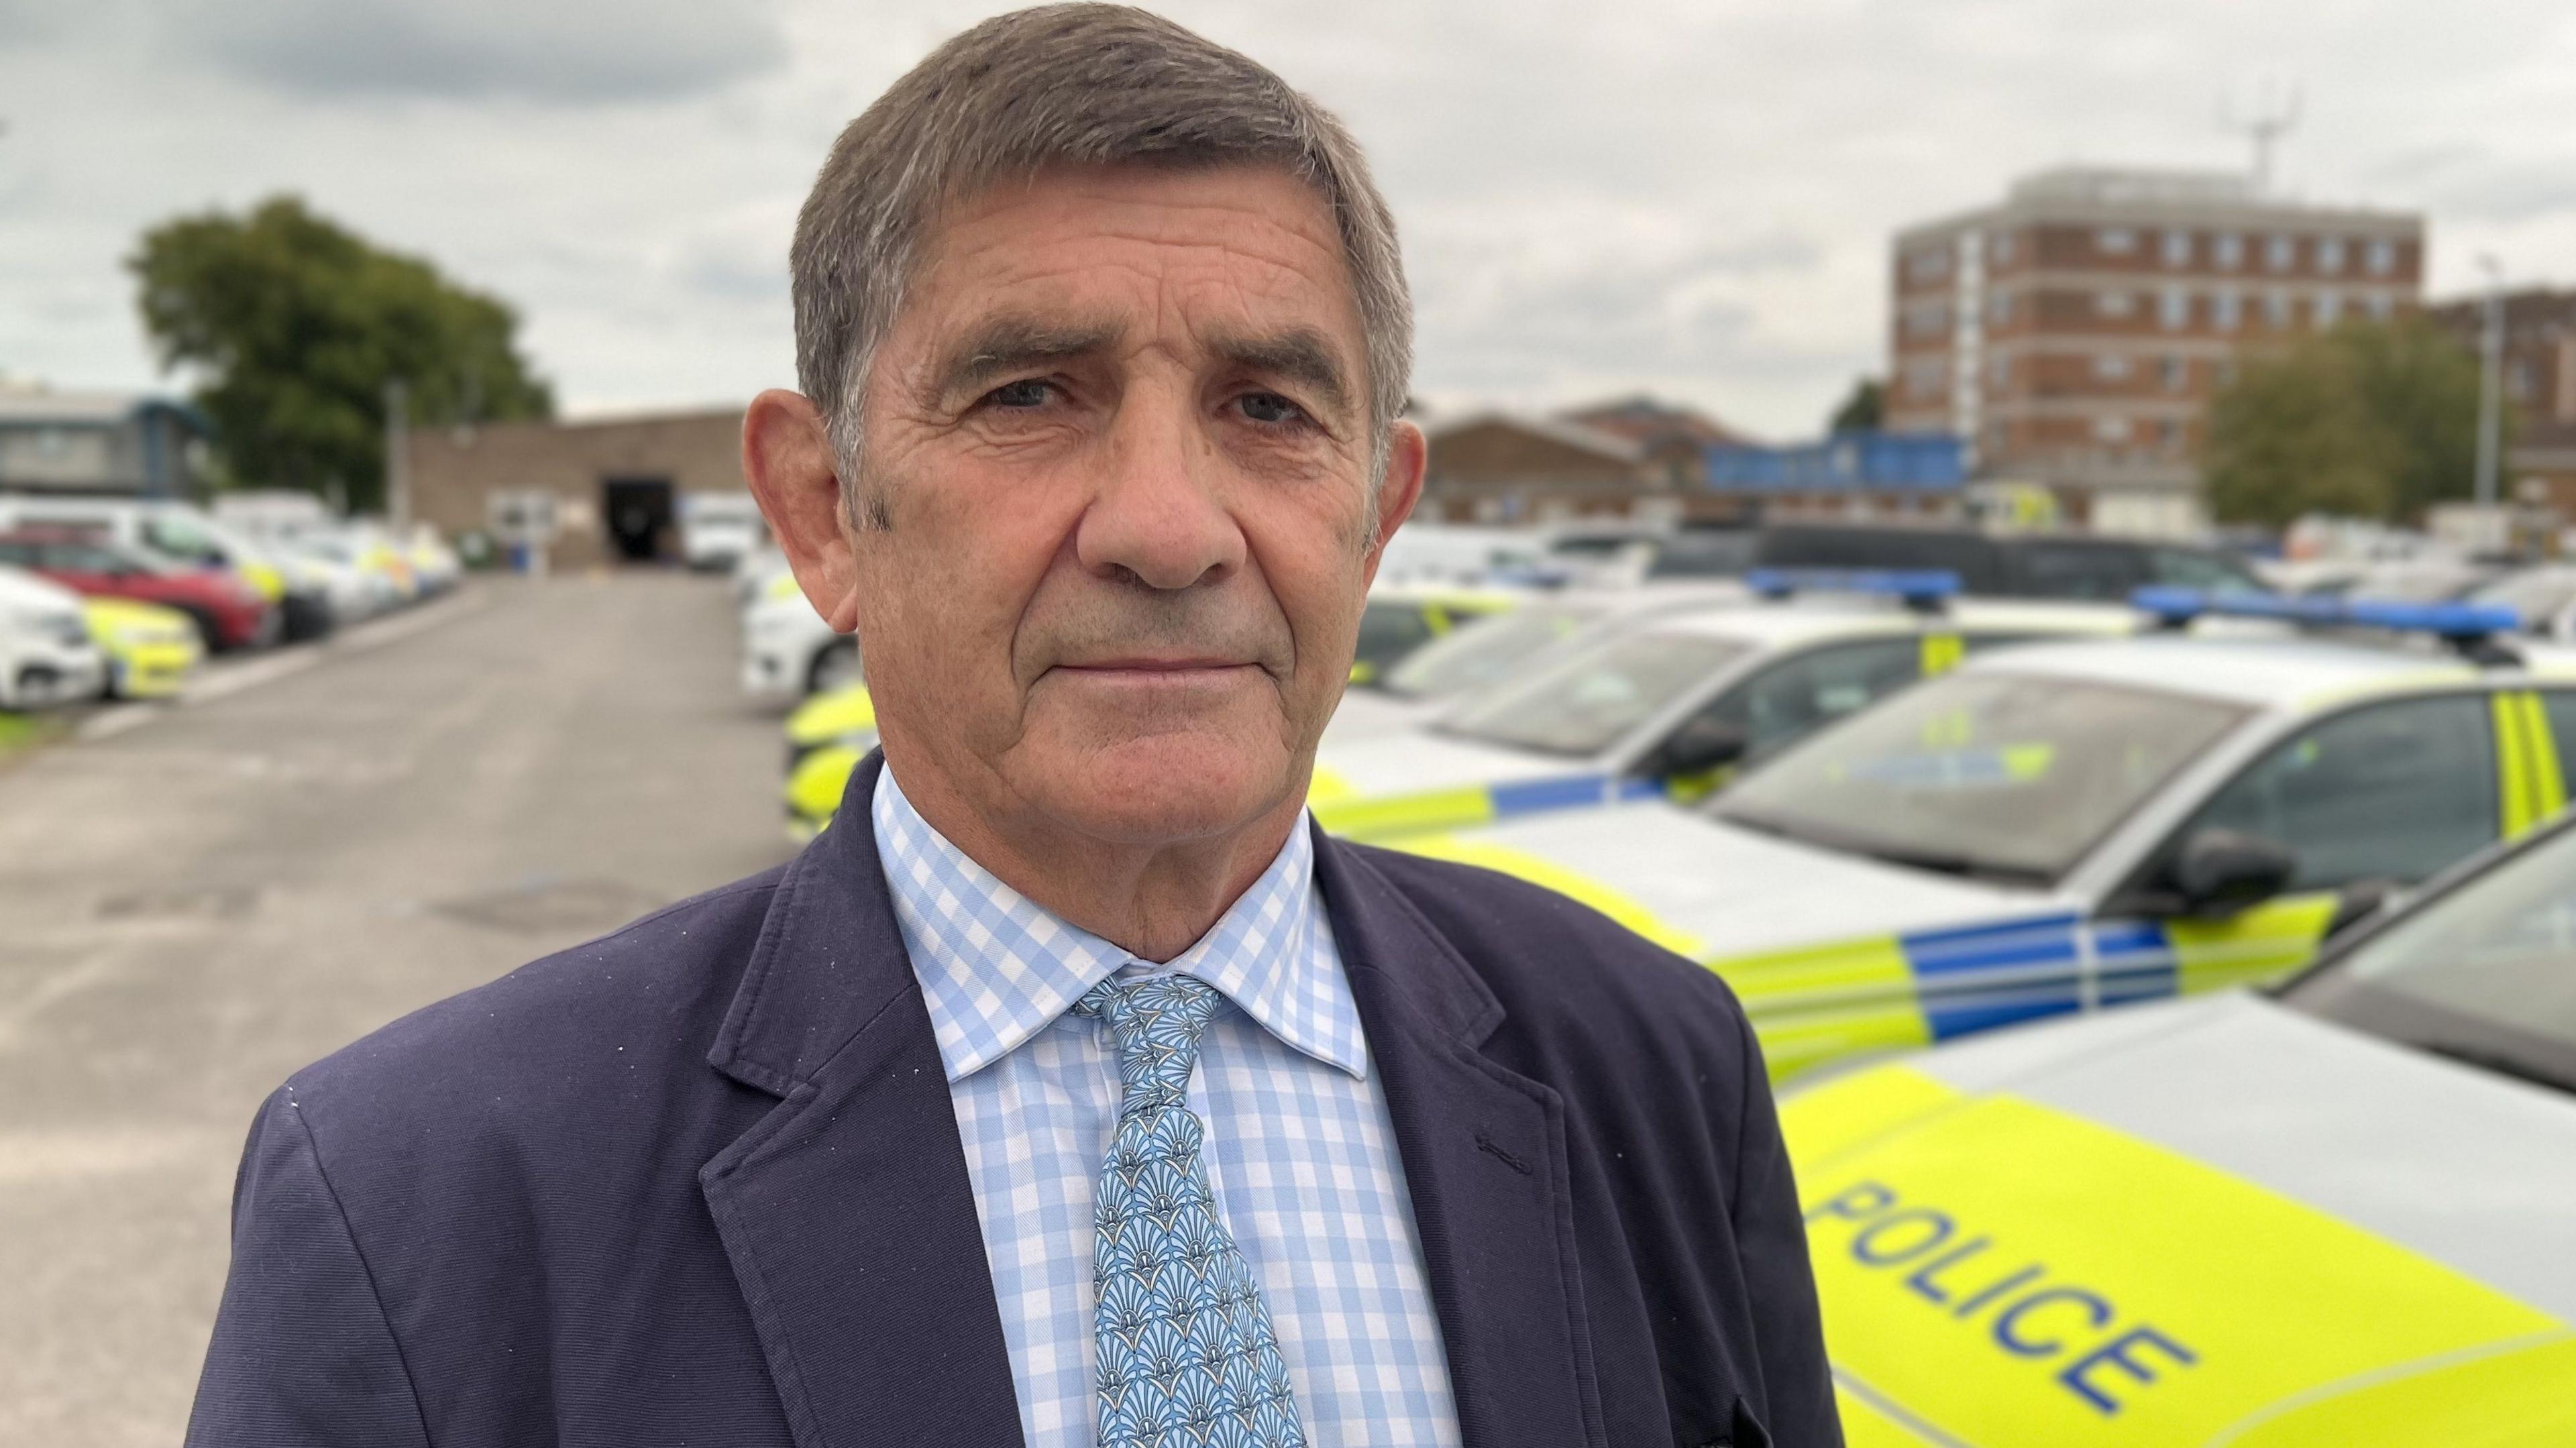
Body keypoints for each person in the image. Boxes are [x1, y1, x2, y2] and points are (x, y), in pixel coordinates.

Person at [184, 7, 1839, 1445]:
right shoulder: (429, 1196)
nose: (1169, 527)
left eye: (1270, 409)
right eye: (1029, 395)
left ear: (1378, 511)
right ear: (823, 508)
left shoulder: (1650, 1070)